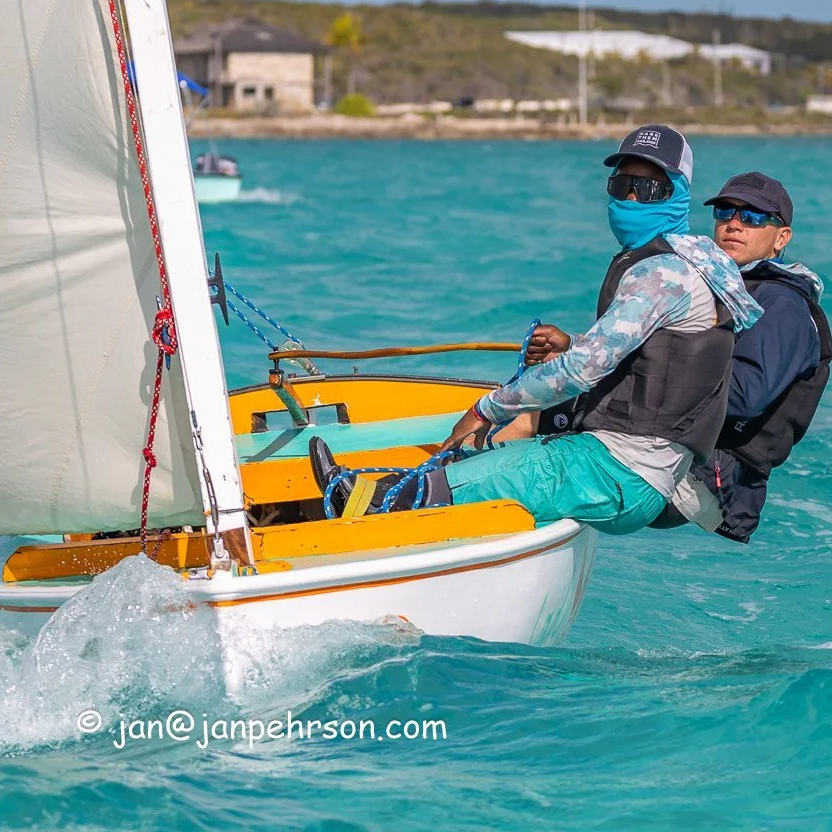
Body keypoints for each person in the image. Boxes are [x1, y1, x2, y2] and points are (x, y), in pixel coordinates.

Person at [310, 125, 762, 534]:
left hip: (621, 470)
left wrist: (486, 410)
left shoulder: (663, 272)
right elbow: (649, 355)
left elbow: (584, 369)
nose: (630, 198)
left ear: (677, 195)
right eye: (621, 185)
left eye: (647, 188)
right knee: (488, 460)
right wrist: (574, 342)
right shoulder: (692, 262)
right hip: (625, 465)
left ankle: (367, 506)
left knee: (458, 479)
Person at [655, 172, 832, 541]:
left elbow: (744, 395)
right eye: (725, 212)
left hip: (712, 475)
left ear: (781, 238)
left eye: (752, 217)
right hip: (680, 448)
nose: (734, 224)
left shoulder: (782, 304)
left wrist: (651, 366)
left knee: (550, 436)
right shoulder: (726, 287)